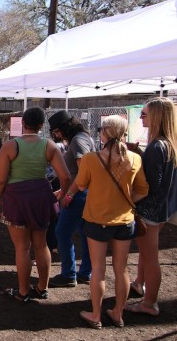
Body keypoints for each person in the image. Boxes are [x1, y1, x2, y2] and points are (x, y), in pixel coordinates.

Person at [75, 115, 148, 329]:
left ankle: (96, 314)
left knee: (98, 269)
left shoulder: (91, 158)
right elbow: (143, 190)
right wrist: (124, 202)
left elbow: (80, 186)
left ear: (106, 132)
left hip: (97, 220)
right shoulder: (135, 158)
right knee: (121, 269)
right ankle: (118, 313)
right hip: (125, 222)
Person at [0, 107, 70, 302]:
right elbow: (65, 176)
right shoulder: (49, 145)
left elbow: (1, 179)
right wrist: (61, 193)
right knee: (41, 244)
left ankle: (23, 291)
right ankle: (42, 288)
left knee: (22, 247)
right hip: (40, 196)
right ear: (41, 125)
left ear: (23, 123)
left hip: (17, 197)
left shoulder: (10, 146)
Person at [126, 97, 177, 317]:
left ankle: (149, 303)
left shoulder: (157, 146)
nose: (141, 117)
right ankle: (139, 284)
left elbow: (150, 185)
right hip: (163, 209)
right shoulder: (168, 144)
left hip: (151, 212)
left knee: (150, 256)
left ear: (156, 116)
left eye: (144, 114)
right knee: (147, 255)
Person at [48, 110, 96, 287]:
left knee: (61, 232)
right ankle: (85, 272)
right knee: (85, 233)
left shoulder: (78, 141)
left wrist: (69, 194)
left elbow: (83, 172)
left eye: (57, 131)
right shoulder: (83, 137)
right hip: (83, 193)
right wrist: (63, 190)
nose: (57, 135)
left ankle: (68, 274)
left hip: (79, 195)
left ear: (64, 128)